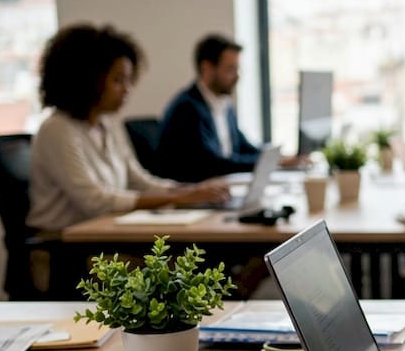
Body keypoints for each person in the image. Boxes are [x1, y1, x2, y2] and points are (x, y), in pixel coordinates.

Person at [28, 24, 229, 234]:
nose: (127, 89)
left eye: (128, 79)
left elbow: (138, 180)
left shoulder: (108, 124)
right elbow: (94, 201)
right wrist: (177, 197)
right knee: (179, 261)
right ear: (87, 79)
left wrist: (190, 191)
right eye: (118, 80)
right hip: (63, 246)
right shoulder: (57, 129)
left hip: (102, 236)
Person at [155, 34, 305, 182]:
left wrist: (278, 157)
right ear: (207, 68)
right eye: (230, 70)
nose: (237, 76)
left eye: (237, 69)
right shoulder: (187, 109)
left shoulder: (223, 103)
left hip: (221, 187)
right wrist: (270, 163)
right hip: (195, 194)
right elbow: (213, 164)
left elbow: (243, 147)